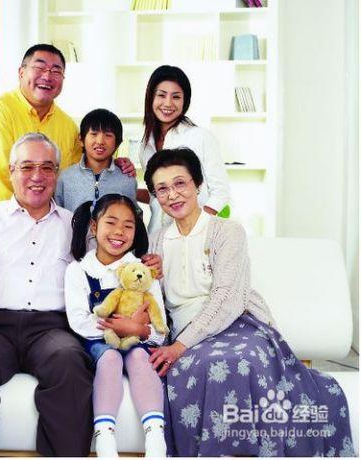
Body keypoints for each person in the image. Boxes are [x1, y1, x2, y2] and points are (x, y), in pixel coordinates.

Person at [141, 147, 353, 457]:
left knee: (242, 362)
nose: (172, 194)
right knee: (206, 366)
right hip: (186, 334)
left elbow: (228, 298)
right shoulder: (156, 240)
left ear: (198, 184)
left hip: (238, 324)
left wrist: (179, 347)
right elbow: (154, 301)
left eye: (180, 183)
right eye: (162, 189)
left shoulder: (227, 231)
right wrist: (154, 278)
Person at [0, 133, 93, 457]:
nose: (37, 176)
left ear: (57, 173)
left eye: (47, 168)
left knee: (70, 361)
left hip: (51, 329)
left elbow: (106, 262)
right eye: (27, 167)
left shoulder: (74, 225)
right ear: (11, 171)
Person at [0, 44, 134, 222]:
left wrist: (115, 165)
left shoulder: (67, 125)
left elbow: (81, 172)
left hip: (48, 226)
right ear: (21, 72)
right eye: (39, 67)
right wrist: (25, 227)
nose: (47, 76)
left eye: (56, 71)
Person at [64, 194, 168, 457]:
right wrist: (120, 326)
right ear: (94, 226)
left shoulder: (144, 271)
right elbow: (78, 320)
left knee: (140, 359)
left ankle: (156, 436)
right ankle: (105, 438)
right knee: (110, 358)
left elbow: (160, 327)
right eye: (111, 222)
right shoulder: (79, 270)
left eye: (128, 225)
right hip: (98, 343)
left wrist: (138, 330)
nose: (119, 232)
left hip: (137, 341)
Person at [138, 65, 231, 233]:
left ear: (185, 101)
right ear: (150, 96)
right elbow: (156, 195)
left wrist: (195, 229)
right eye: (161, 95)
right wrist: (125, 189)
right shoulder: (145, 146)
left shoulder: (200, 137)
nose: (168, 103)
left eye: (176, 97)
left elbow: (221, 192)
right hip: (157, 235)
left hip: (195, 236)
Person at [55, 109, 137, 212]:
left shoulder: (127, 180)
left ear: (118, 142)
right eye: (94, 134)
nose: (100, 141)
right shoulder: (65, 178)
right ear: (81, 139)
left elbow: (132, 216)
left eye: (108, 135)